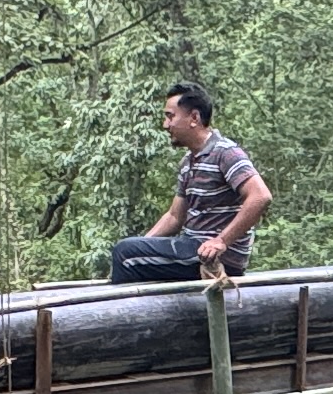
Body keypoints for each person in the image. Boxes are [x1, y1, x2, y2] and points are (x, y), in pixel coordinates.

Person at [108, 83, 268, 281]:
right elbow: (175, 217)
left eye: (170, 116)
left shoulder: (225, 152)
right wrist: (142, 244)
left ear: (194, 118)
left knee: (125, 253)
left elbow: (261, 196)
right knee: (129, 252)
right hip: (191, 248)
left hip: (215, 257)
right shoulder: (188, 162)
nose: (165, 125)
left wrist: (221, 241)